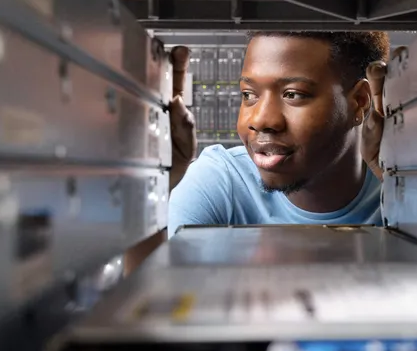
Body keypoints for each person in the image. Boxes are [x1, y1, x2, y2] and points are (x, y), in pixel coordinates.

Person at [166, 31, 390, 235]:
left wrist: (404, 193)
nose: (260, 120)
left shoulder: (397, 188)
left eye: (292, 95)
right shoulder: (217, 183)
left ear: (359, 102)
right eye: (249, 95)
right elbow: (152, 279)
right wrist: (157, 185)